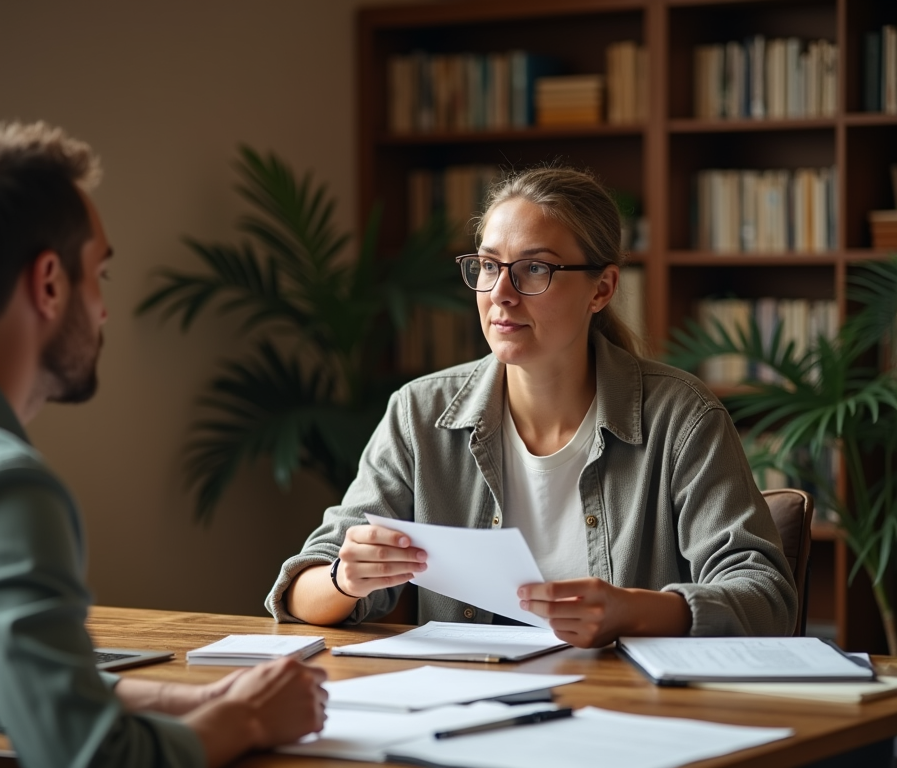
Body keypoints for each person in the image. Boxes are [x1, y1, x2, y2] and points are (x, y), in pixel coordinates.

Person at [0, 123, 326, 768]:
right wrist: (246, 718)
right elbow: (94, 757)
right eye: (100, 275)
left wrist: (190, 699)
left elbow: (11, 681)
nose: (104, 309)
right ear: (50, 283)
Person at [267, 165, 798, 646]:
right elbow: (299, 594)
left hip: (627, 712)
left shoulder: (681, 418)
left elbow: (767, 598)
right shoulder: (419, 413)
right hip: (465, 708)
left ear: (602, 288)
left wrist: (631, 611)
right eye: (488, 266)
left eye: (534, 271)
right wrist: (345, 577)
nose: (501, 292)